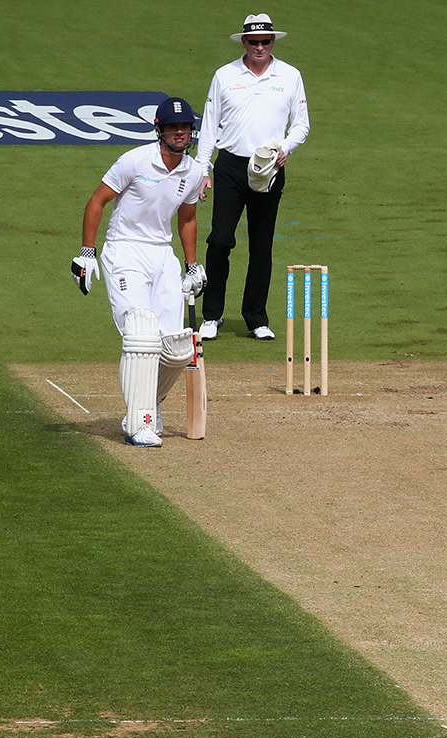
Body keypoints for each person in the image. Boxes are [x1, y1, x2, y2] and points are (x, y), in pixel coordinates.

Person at [72, 96, 208, 447]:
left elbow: (188, 218)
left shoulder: (193, 172)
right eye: (173, 127)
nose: (180, 133)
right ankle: (139, 421)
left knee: (177, 348)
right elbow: (97, 201)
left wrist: (192, 266)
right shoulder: (134, 160)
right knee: (141, 335)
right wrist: (87, 253)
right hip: (125, 250)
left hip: (163, 255)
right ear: (159, 130)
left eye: (185, 127)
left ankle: (151, 404)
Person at [193, 13, 310, 341]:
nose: (259, 47)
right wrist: (204, 169)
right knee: (219, 241)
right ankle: (212, 316)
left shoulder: (290, 75)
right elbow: (210, 124)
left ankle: (256, 317)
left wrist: (285, 147)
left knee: (261, 245)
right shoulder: (224, 75)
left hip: (270, 166)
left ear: (273, 42)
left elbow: (301, 123)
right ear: (243, 42)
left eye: (265, 41)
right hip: (230, 166)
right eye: (253, 41)